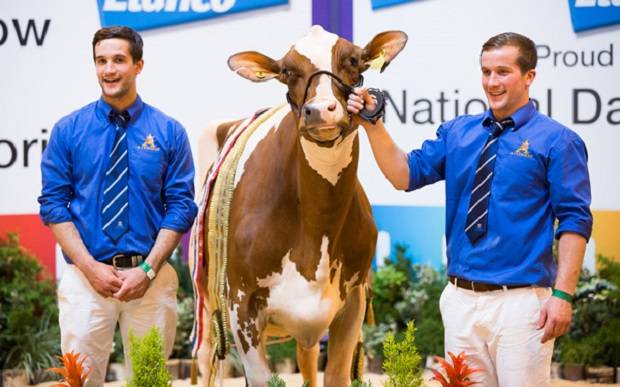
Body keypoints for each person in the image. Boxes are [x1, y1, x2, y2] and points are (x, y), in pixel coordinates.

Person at [348, 32, 592, 386]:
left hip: (522, 304)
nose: (492, 82)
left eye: (503, 72)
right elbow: (404, 175)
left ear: (529, 76)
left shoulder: (558, 140)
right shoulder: (458, 132)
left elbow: (574, 221)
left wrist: (563, 295)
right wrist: (373, 124)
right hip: (460, 301)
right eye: (486, 71)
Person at [39, 26, 197, 386]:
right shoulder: (68, 131)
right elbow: (53, 205)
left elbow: (181, 206)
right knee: (80, 382)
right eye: (101, 61)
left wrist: (147, 269)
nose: (109, 70)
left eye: (119, 60)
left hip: (149, 281)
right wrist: (90, 267)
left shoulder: (169, 131)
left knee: (148, 382)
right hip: (86, 280)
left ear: (138, 65)